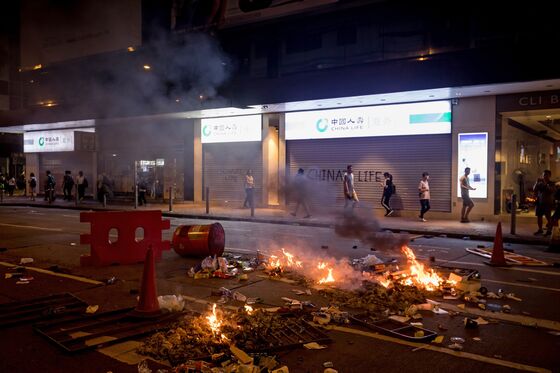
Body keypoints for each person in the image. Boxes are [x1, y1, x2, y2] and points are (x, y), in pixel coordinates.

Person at [533, 170, 555, 235]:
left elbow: (551, 190)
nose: (544, 176)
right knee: (539, 216)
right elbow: (534, 189)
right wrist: (536, 182)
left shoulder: (552, 183)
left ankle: (549, 230)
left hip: (547, 203)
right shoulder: (540, 183)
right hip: (539, 202)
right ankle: (540, 229)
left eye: (546, 175)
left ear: (549, 176)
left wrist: (545, 184)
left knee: (548, 217)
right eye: (543, 175)